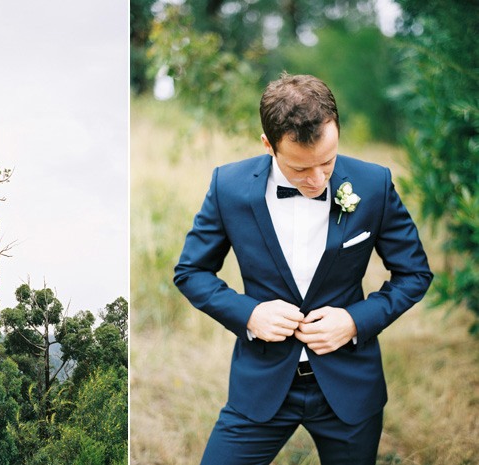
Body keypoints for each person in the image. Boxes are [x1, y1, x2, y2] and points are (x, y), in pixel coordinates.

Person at [173, 73, 433, 465]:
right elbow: (191, 271)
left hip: (349, 388)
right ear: (268, 144)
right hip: (261, 386)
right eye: (299, 169)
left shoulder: (374, 184)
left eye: (327, 163)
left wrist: (353, 321)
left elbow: (415, 273)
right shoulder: (228, 186)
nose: (316, 180)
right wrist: (251, 313)